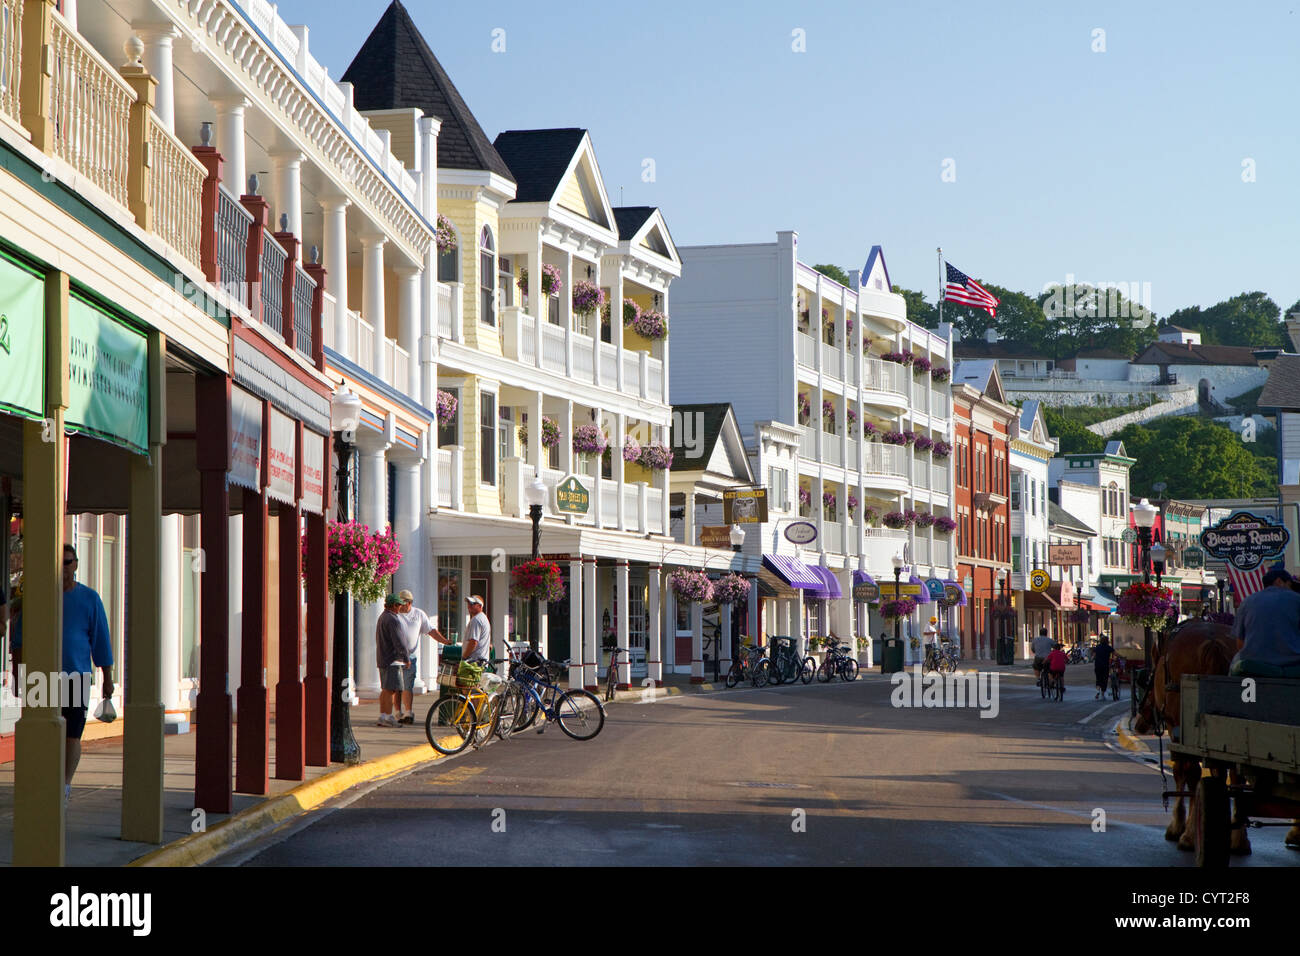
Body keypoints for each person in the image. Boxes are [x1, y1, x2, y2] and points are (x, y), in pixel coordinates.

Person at [12, 545, 114, 800]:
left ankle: (64, 785)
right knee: (42, 733)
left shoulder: (90, 599)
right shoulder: (38, 597)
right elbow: (20, 640)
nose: (63, 569)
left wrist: (108, 679)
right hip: (41, 678)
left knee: (72, 735)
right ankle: (42, 782)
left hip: (76, 676)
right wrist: (17, 674)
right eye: (58, 564)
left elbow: (101, 640)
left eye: (67, 563)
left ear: (76, 564)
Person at [1229, 567, 1300, 677]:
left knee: (1234, 665)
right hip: (1293, 666)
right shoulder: (1296, 599)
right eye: (1290, 585)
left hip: (1254, 666)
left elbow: (1239, 643)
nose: (1290, 589)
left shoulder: (1247, 602)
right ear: (1279, 581)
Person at [394, 588, 447, 724]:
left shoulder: (418, 614)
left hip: (410, 656)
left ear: (410, 603)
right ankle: (397, 713)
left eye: (403, 603)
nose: (400, 606)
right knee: (396, 687)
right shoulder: (394, 614)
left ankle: (408, 713)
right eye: (399, 603)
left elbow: (431, 631)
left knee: (407, 685)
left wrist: (445, 641)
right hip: (394, 657)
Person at [375, 594, 409, 727]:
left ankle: (383, 715)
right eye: (399, 605)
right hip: (392, 659)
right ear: (394, 605)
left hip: (383, 658)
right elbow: (399, 641)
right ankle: (388, 716)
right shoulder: (393, 619)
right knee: (391, 689)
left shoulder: (382, 617)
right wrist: (406, 657)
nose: (401, 607)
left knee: (385, 689)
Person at [458, 595, 491, 687]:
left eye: (472, 604)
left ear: (480, 606)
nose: (469, 606)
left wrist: (464, 658)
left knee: (468, 689)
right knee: (475, 690)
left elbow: (473, 642)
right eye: (468, 603)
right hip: (480, 661)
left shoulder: (476, 620)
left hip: (474, 662)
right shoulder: (482, 618)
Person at [1093, 634, 1114, 699]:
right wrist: (1122, 657)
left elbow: (1094, 655)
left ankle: (1097, 691)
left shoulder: (1097, 647)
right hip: (1105, 666)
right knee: (1104, 680)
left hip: (1098, 665)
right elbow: (1115, 653)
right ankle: (1102, 694)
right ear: (1107, 641)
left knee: (1098, 679)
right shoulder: (1108, 647)